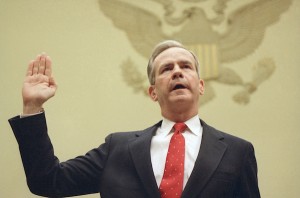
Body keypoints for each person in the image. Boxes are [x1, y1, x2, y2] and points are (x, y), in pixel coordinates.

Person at [9, 40, 260, 198]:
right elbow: (49, 181)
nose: (177, 72)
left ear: (201, 85)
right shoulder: (118, 148)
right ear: (153, 92)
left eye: (185, 66)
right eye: (166, 69)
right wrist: (32, 107)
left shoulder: (237, 151)